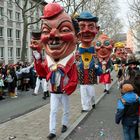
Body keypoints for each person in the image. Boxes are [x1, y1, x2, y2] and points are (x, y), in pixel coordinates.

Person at [30, 3, 78, 139]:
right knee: (53, 110)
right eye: (46, 31)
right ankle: (52, 131)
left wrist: (67, 89)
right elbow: (41, 72)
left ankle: (64, 124)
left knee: (66, 109)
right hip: (53, 91)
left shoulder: (71, 63)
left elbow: (74, 79)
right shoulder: (48, 62)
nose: (53, 34)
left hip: (63, 91)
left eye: (63, 29)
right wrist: (38, 57)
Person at [76, 11, 102, 112]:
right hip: (82, 73)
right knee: (83, 92)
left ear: (97, 29)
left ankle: (93, 101)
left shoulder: (96, 49)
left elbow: (98, 64)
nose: (86, 30)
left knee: (91, 92)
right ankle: (85, 107)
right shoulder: (76, 50)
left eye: (91, 27)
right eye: (82, 27)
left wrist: (97, 67)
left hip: (91, 73)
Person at [30, 32, 49, 99]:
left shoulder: (43, 62)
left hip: (44, 76)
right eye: (31, 43)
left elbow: (47, 70)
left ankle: (45, 94)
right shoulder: (35, 61)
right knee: (37, 84)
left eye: (34, 43)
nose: (31, 46)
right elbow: (35, 68)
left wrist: (46, 76)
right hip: (39, 76)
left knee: (45, 86)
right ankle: (36, 92)